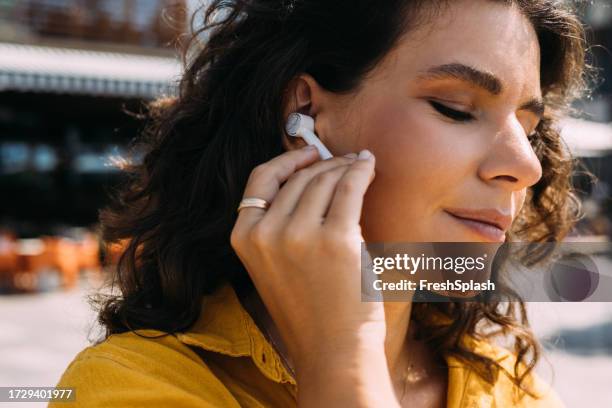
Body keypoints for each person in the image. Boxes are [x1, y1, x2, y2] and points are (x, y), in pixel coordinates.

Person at [51, 0, 593, 406]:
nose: (527, 166)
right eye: (454, 108)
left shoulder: (503, 387)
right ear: (303, 117)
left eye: (529, 126)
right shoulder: (130, 387)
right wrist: (343, 353)